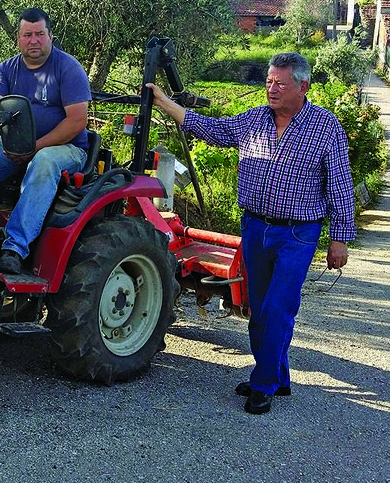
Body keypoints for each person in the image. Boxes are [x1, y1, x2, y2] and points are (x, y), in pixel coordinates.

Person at [147, 52, 355, 415]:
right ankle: (279, 375)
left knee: (278, 307)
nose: (271, 89)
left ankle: (262, 384)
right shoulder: (254, 119)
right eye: (269, 82)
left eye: (280, 83)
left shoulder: (326, 127)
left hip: (298, 234)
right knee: (258, 309)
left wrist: (339, 239)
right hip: (256, 227)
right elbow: (211, 129)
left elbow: (339, 186)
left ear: (303, 86)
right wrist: (165, 103)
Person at [0, 7, 92, 274]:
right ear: (18, 39)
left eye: (39, 34)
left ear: (50, 36)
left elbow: (77, 120)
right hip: (16, 147)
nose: (34, 41)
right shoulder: (7, 68)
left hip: (66, 149)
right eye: (27, 35)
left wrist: (35, 148)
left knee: (43, 162)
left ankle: (14, 248)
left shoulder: (67, 68)